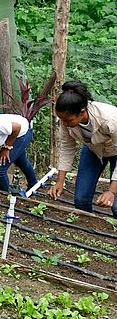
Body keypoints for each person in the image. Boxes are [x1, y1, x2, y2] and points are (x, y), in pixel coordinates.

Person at [48, 81, 117, 217]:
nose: (64, 124)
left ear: (82, 112)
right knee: (81, 200)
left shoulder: (110, 119)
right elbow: (67, 148)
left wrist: (111, 191)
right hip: (94, 150)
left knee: (116, 208)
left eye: (68, 120)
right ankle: (89, 232)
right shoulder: (66, 120)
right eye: (62, 120)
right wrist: (59, 182)